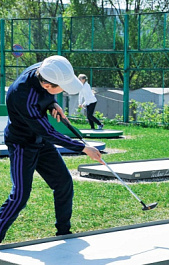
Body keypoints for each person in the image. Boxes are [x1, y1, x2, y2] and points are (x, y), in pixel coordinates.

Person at [0, 55, 104, 243]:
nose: (62, 91)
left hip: (40, 140)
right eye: (60, 89)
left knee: (63, 182)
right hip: (22, 144)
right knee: (20, 196)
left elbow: (46, 98)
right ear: (48, 85)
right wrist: (82, 148)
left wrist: (52, 103)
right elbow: (48, 131)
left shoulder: (45, 69)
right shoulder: (22, 95)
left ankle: (64, 232)